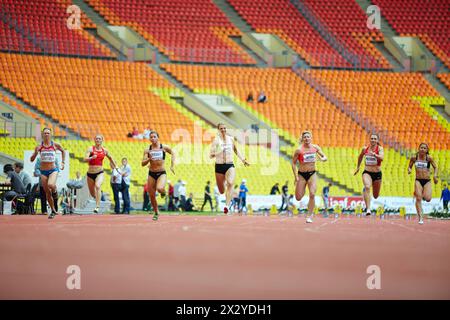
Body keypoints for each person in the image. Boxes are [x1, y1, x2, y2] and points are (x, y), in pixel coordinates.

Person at [210, 123, 249, 214]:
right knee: (221, 190)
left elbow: (235, 150)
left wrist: (243, 159)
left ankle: (227, 206)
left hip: (229, 165)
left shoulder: (230, 139)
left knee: (230, 183)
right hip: (219, 166)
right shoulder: (216, 141)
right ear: (218, 130)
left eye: (224, 128)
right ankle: (225, 196)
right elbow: (210, 155)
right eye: (221, 128)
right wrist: (218, 152)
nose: (223, 130)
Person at [292, 131, 327, 223]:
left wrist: (323, 159)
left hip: (312, 174)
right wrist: (296, 176)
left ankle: (309, 215)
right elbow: (293, 163)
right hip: (301, 174)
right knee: (298, 197)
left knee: (312, 194)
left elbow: (324, 156)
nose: (307, 138)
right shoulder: (299, 150)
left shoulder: (315, 148)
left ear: (311, 138)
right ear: (302, 139)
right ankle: (301, 190)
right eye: (305, 137)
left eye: (308, 137)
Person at [30, 128, 65, 219]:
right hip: (43, 171)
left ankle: (55, 191)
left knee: (51, 185)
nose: (46, 135)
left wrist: (63, 162)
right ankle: (53, 210)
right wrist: (35, 154)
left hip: (53, 170)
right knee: (47, 192)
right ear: (42, 134)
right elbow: (31, 159)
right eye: (45, 133)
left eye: (48, 133)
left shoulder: (55, 145)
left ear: (51, 134)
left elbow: (63, 151)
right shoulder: (39, 146)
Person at [141, 130, 176, 221]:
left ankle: (163, 192)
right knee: (151, 195)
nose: (152, 138)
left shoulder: (164, 147)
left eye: (154, 136)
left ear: (158, 137)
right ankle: (156, 212)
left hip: (161, 172)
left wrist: (172, 166)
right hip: (151, 173)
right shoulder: (147, 150)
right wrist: (148, 159)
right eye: (151, 137)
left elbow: (173, 153)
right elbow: (142, 163)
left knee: (159, 188)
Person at [84, 134, 118, 214]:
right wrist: (91, 158)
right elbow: (85, 159)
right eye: (96, 139)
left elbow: (110, 158)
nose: (98, 140)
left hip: (100, 172)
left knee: (98, 186)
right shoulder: (90, 149)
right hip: (90, 173)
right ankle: (99, 197)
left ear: (102, 140)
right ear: (94, 140)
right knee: (92, 194)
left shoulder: (104, 150)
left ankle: (97, 206)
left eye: (99, 139)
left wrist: (116, 166)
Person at [408, 143, 438, 224]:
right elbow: (410, 166)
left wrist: (435, 176)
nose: (422, 149)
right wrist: (409, 170)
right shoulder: (414, 157)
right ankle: (420, 217)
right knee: (418, 198)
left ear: (427, 150)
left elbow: (435, 167)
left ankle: (423, 196)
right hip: (418, 180)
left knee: (428, 199)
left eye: (424, 148)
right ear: (418, 148)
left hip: (427, 180)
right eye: (421, 147)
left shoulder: (429, 158)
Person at [354, 133, 384, 216]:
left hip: (377, 174)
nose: (373, 140)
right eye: (372, 138)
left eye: (375, 139)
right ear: (370, 139)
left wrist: (375, 155)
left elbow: (382, 158)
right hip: (367, 172)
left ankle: (368, 195)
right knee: (367, 186)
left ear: (377, 140)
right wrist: (358, 167)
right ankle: (368, 209)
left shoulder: (380, 149)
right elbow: (360, 157)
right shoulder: (365, 149)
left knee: (375, 196)